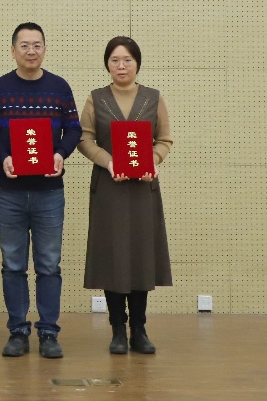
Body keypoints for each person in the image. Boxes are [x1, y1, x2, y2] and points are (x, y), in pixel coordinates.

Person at [0, 23, 81, 360]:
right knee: (13, 264)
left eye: (37, 45)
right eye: (24, 45)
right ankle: (18, 332)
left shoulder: (59, 87)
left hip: (49, 191)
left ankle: (49, 332)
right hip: (9, 190)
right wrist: (4, 157)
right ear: (13, 51)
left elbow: (74, 129)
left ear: (45, 49)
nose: (31, 51)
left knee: (49, 264)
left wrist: (60, 154)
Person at [78, 36, 173, 355]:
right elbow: (85, 139)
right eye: (115, 60)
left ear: (137, 64)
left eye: (128, 60)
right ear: (107, 64)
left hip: (143, 188)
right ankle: (117, 329)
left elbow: (164, 140)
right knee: (113, 256)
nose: (121, 66)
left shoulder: (153, 97)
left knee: (140, 256)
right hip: (109, 187)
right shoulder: (96, 98)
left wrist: (153, 161)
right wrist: (109, 162)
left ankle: (139, 330)